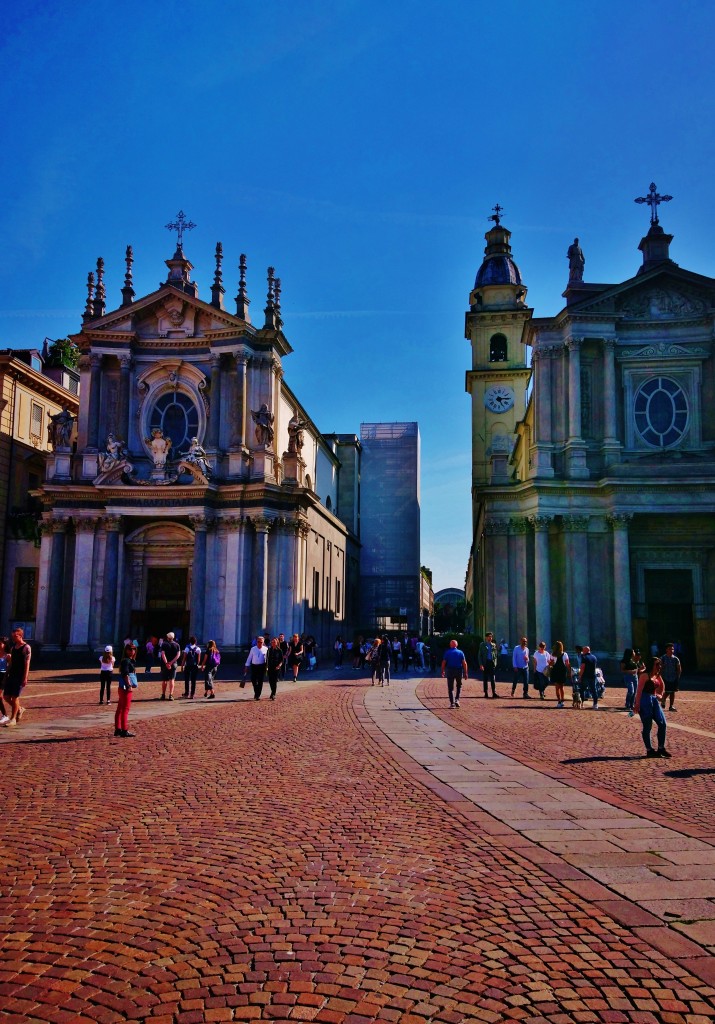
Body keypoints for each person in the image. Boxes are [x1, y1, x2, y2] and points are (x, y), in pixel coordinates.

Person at [3, 627, 31, 728]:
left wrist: (25, 677)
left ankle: (13, 718)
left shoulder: (26, 647)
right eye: (13, 636)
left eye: (15, 636)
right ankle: (19, 709)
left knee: (14, 697)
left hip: (20, 675)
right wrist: (6, 674)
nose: (14, 638)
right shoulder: (13, 648)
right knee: (6, 697)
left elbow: (27, 663)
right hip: (12, 674)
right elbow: (11, 663)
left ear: (21, 636)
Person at [637, 678, 671, 758]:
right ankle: (649, 750)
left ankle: (661, 748)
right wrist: (637, 704)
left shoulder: (657, 674)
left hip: (654, 698)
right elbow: (639, 690)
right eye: (657, 664)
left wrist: (660, 694)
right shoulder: (644, 674)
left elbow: (661, 684)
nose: (659, 666)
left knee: (662, 724)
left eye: (660, 664)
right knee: (647, 726)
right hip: (645, 700)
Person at [114, 642, 138, 738]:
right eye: (130, 649)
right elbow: (125, 674)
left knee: (120, 708)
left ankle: (118, 729)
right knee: (125, 709)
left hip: (122, 687)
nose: (132, 651)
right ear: (126, 650)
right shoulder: (126, 661)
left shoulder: (128, 661)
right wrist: (128, 685)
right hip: (125, 687)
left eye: (134, 649)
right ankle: (124, 730)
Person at [441, 639, 468, 709]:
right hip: (459, 670)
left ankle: (452, 703)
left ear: (450, 645)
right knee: (459, 686)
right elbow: (464, 663)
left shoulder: (447, 652)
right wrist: (465, 672)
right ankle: (457, 700)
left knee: (450, 687)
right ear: (457, 645)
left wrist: (443, 671)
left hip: (450, 670)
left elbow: (444, 662)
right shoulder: (460, 652)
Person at [245, 635, 268, 700]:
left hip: (261, 666)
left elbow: (267, 659)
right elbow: (249, 657)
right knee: (253, 679)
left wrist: (267, 667)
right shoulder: (253, 649)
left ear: (263, 642)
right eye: (258, 642)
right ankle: (256, 691)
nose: (259, 643)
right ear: (256, 642)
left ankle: (258, 695)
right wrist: (247, 665)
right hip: (254, 666)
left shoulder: (266, 649)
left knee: (260, 680)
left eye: (261, 642)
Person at [660, 643, 682, 711]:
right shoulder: (663, 658)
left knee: (672, 692)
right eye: (670, 649)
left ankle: (671, 706)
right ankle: (663, 700)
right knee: (666, 691)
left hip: (673, 677)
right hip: (665, 677)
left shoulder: (676, 659)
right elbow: (659, 667)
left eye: (672, 649)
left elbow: (679, 668)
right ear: (666, 650)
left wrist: (678, 676)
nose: (671, 650)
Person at [159, 631, 181, 700]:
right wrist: (171, 663)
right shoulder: (177, 645)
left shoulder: (164, 644)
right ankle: (171, 695)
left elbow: (163, 654)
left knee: (164, 680)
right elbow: (178, 655)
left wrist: (166, 663)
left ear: (168, 637)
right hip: (174, 664)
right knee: (172, 680)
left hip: (165, 665)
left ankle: (163, 695)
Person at [549, 641, 570, 708]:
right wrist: (569, 671)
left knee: (557, 687)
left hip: (556, 671)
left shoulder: (553, 654)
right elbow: (567, 664)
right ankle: (562, 700)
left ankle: (559, 701)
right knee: (562, 687)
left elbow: (551, 664)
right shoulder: (565, 654)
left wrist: (550, 664)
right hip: (562, 671)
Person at [478, 631, 498, 698]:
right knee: (485, 679)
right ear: (486, 637)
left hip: (491, 663)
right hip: (485, 663)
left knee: (493, 679)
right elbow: (480, 655)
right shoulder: (482, 645)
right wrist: (481, 664)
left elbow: (495, 655)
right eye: (489, 637)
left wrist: (495, 663)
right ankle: (486, 693)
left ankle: (494, 692)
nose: (490, 638)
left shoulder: (493, 645)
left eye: (491, 637)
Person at [579, 645, 599, 709]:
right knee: (594, 690)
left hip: (585, 676)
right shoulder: (594, 657)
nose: (582, 651)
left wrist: (580, 676)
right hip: (593, 676)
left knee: (582, 689)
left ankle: (582, 704)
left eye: (583, 650)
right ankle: (595, 704)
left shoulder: (584, 657)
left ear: (585, 651)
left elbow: (582, 667)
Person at [0, 639, 10, 725]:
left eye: (0, 644)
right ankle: (18, 708)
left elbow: (9, 668)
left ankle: (5, 715)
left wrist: (5, 678)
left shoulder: (8, 655)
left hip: (3, 676)